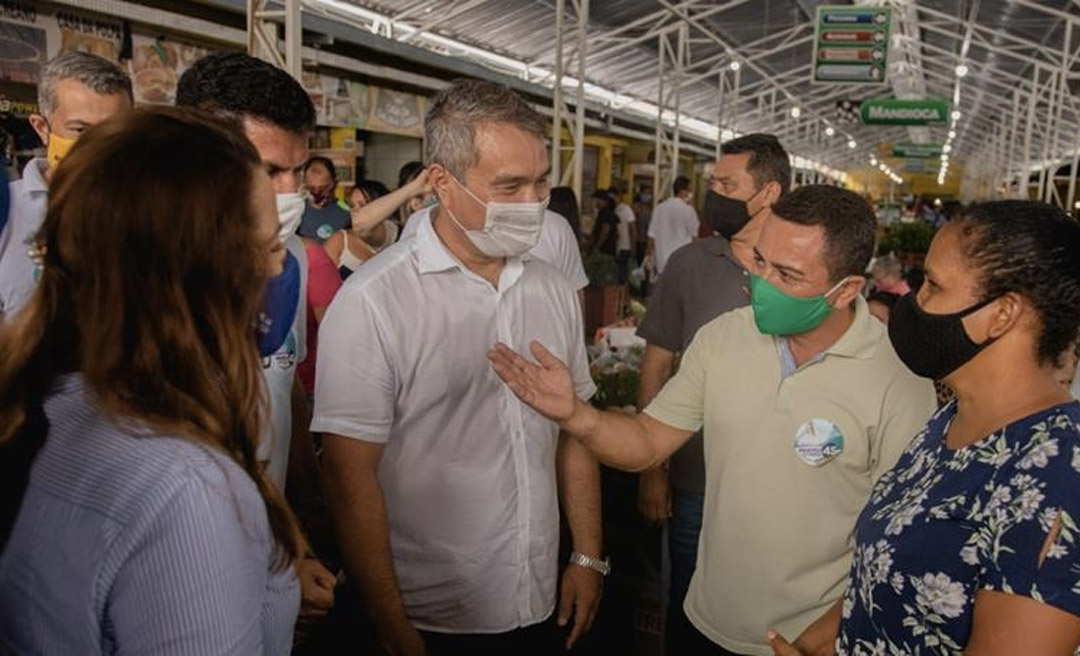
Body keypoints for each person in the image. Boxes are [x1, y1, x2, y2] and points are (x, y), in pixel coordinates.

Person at [489, 184, 937, 656]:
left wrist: (824, 638)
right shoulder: (724, 338)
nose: (762, 283)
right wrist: (577, 416)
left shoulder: (898, 378)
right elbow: (646, 441)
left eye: (787, 274)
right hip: (706, 619)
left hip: (810, 640)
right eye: (760, 262)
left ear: (845, 290)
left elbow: (902, 541)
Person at [313, 79, 603, 654]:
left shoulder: (549, 288)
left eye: (542, 181)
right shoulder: (376, 301)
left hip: (537, 590)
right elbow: (350, 475)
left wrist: (588, 554)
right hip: (428, 609)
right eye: (509, 186)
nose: (533, 203)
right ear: (441, 182)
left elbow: (578, 429)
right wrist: (387, 617)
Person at [0, 108, 304, 655]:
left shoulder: (37, 398)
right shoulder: (185, 487)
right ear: (204, 275)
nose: (279, 270)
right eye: (266, 248)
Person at [768, 200, 1080, 656]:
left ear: (1002, 313)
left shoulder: (1058, 473)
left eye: (933, 285)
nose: (915, 303)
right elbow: (888, 572)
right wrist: (814, 643)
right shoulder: (953, 419)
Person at [176, 50, 336, 634]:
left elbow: (281, 377)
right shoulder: (147, 278)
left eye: (298, 170)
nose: (289, 192)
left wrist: (302, 520)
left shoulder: (288, 259)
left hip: (267, 546)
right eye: (269, 171)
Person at [635, 133, 791, 653]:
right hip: (695, 481)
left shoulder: (806, 268)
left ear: (768, 193)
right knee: (687, 612)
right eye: (712, 183)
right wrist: (652, 471)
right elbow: (655, 368)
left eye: (727, 184)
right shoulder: (689, 264)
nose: (714, 194)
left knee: (766, 623)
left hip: (781, 486)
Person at [0, 51, 131, 322]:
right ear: (42, 127)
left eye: (114, 131)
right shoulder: (8, 213)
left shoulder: (153, 212)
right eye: (80, 130)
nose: (99, 146)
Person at [399, 188, 590, 293]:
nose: (533, 197)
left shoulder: (555, 227)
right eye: (509, 183)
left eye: (540, 179)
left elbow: (573, 296)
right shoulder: (422, 224)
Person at [324, 180, 399, 278]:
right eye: (352, 205)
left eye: (362, 205)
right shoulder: (339, 241)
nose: (354, 211)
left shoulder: (394, 234)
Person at [647, 176, 699, 275]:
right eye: (690, 190)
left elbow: (651, 237)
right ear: (683, 191)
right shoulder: (688, 210)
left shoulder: (659, 208)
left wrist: (648, 256)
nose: (692, 194)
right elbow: (695, 238)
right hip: (682, 265)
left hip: (662, 265)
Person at [299, 156, 352, 242]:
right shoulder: (296, 210)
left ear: (334, 184)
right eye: (311, 188)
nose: (316, 194)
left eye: (322, 189)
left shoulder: (347, 212)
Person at [612, 186, 638, 283]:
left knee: (623, 273)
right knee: (620, 273)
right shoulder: (614, 209)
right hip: (617, 247)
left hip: (625, 246)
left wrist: (633, 247)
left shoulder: (626, 209)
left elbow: (632, 228)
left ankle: (625, 293)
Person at [589, 189, 619, 257]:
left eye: (595, 200)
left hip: (604, 252)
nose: (594, 203)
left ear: (602, 200)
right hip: (610, 250)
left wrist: (597, 247)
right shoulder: (609, 212)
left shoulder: (604, 213)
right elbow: (617, 234)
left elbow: (605, 231)